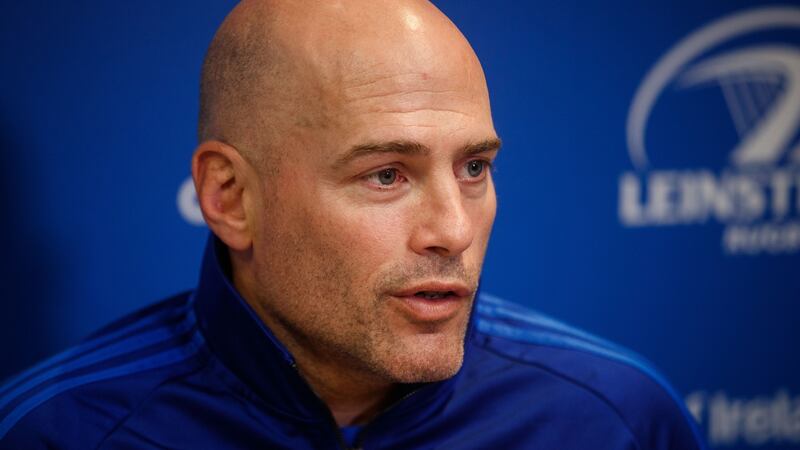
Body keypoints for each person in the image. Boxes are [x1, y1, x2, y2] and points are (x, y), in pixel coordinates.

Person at [0, 0, 706, 448]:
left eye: (473, 169)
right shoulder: (56, 431)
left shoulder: (619, 419)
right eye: (387, 175)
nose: (452, 231)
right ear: (230, 197)